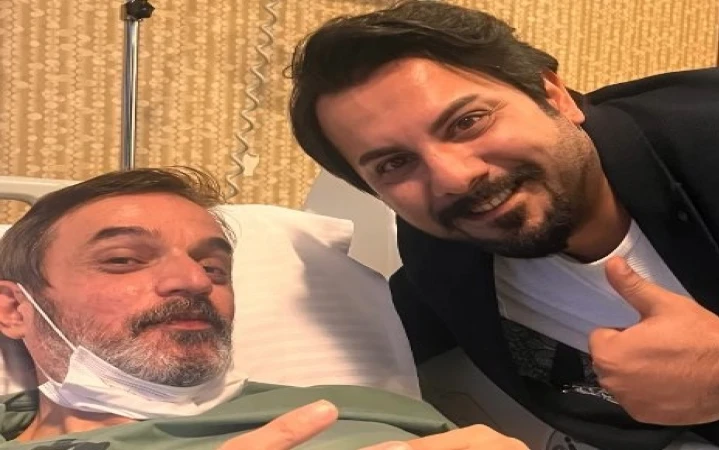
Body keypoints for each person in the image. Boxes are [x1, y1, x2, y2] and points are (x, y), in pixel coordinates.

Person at [287, 1, 719, 449]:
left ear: (554, 96)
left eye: (467, 122)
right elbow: (365, 345)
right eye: (394, 164)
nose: (454, 178)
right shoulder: (444, 255)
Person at [0, 167, 529, 449]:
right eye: (123, 260)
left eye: (214, 268)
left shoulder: (362, 410)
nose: (194, 281)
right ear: (14, 309)